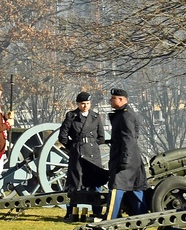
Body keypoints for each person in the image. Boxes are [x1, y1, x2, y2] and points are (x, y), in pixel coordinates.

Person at [58, 91, 109, 222]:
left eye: (87, 103)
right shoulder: (71, 116)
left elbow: (101, 137)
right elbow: (63, 137)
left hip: (93, 155)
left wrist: (90, 144)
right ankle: (71, 212)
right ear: (78, 104)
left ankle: (97, 212)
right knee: (74, 184)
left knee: (95, 184)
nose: (85, 106)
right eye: (82, 104)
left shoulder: (96, 117)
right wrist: (75, 147)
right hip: (77, 154)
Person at [106, 88, 148, 219]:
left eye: (113, 98)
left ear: (121, 99)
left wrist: (124, 160)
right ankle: (143, 218)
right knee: (135, 189)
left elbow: (129, 139)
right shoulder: (123, 114)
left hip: (125, 160)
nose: (111, 100)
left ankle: (109, 220)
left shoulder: (126, 115)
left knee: (116, 188)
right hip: (130, 159)